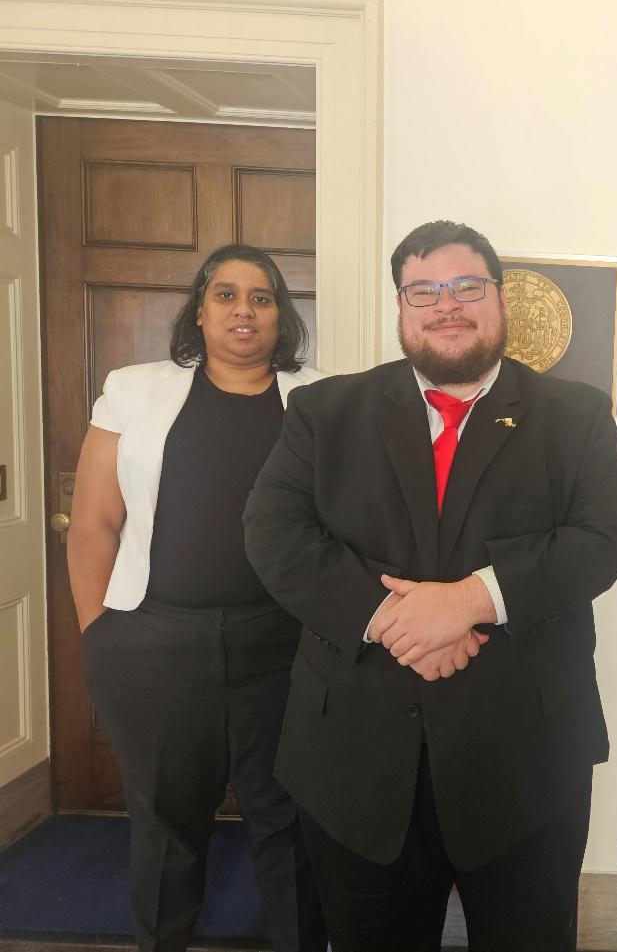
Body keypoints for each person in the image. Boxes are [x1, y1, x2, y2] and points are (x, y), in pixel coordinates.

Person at [242, 219, 617, 952]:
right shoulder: (324, 413)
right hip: (355, 764)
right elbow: (274, 535)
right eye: (423, 290)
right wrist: (393, 615)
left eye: (466, 287)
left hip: (526, 762)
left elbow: (603, 537)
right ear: (400, 307)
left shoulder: (575, 415)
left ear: (500, 301)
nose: (446, 304)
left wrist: (468, 600)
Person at [68, 244, 327, 952]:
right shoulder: (133, 388)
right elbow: (94, 521)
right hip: (154, 645)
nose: (244, 309)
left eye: (262, 296)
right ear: (200, 308)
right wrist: (99, 634)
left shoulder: (319, 397)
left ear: (281, 314)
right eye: (226, 294)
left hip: (284, 649)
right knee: (165, 826)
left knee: (293, 821)